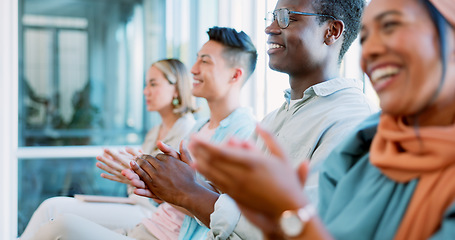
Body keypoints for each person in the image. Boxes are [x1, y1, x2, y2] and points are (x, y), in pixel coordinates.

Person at [189, 0, 455, 239]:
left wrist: (288, 210)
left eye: (391, 27)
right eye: (366, 36)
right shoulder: (375, 139)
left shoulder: (355, 127)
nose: (371, 50)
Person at [129, 0, 377, 239]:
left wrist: (189, 192)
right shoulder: (274, 119)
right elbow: (239, 210)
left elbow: (308, 230)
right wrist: (185, 183)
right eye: (272, 17)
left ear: (331, 31)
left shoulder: (351, 122)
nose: (270, 28)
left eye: (286, 17)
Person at [19, 58, 198, 240]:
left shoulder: (189, 131)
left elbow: (178, 189)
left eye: (153, 84)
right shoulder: (154, 132)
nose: (146, 92)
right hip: (134, 203)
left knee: (54, 209)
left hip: (153, 213)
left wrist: (139, 177)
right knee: (51, 207)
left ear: (176, 88)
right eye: (146, 85)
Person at [124, 26, 259, 240]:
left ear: (235, 75)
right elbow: (175, 195)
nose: (193, 69)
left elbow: (224, 214)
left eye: (205, 61)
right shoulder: (198, 128)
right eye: (197, 59)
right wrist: (154, 186)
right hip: (152, 226)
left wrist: (173, 191)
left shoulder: (247, 135)